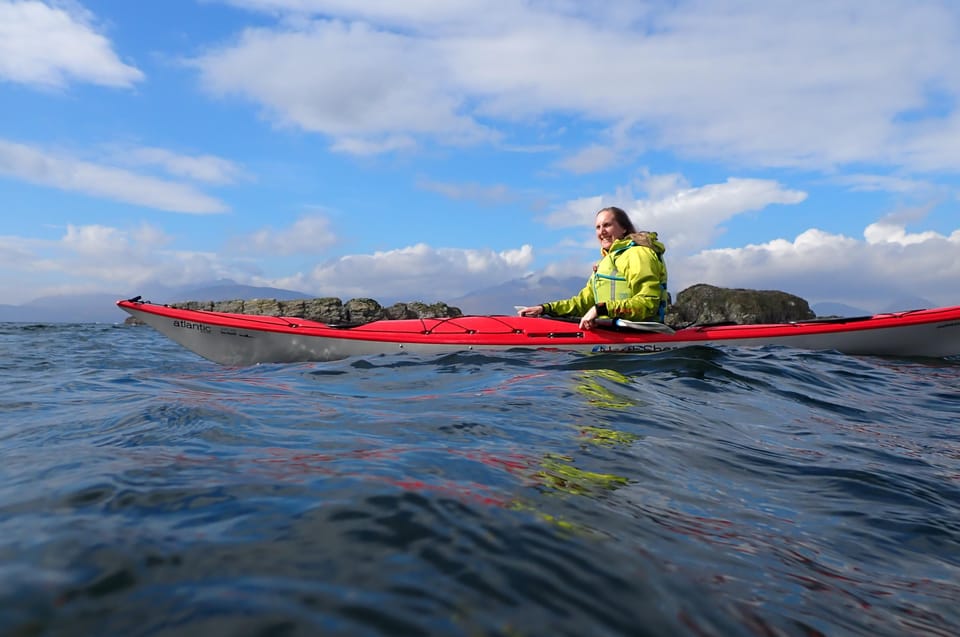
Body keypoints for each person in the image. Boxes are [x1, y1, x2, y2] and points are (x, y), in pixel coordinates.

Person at [517, 206, 668, 330]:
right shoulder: (606, 262)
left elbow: (648, 303)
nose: (601, 232)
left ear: (623, 229)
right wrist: (544, 309)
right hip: (611, 331)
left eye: (607, 225)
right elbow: (582, 303)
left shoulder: (637, 254)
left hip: (639, 334)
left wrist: (600, 309)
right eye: (598, 227)